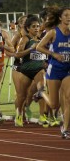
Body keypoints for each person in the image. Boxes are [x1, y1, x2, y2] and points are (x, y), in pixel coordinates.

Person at [36, 7, 70, 139]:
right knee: (54, 104)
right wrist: (53, 54)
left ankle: (65, 129)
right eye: (66, 15)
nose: (69, 17)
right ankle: (41, 93)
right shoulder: (53, 33)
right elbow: (39, 47)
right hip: (54, 70)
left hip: (67, 70)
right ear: (60, 18)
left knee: (68, 99)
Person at [13, 15, 46, 127]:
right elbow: (17, 54)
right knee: (22, 96)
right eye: (33, 26)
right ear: (28, 28)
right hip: (26, 70)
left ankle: (43, 116)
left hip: (39, 69)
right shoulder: (25, 39)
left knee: (42, 89)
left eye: (38, 26)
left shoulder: (42, 40)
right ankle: (19, 114)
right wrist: (31, 48)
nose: (36, 28)